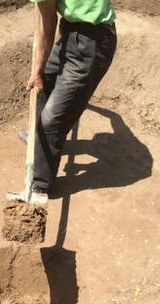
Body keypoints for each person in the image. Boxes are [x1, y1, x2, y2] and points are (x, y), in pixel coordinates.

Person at [27, 0, 117, 199]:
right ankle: (40, 139)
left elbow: (48, 27)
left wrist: (36, 72)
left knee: (51, 119)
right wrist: (41, 73)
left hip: (93, 41)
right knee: (47, 82)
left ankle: (39, 186)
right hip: (72, 35)